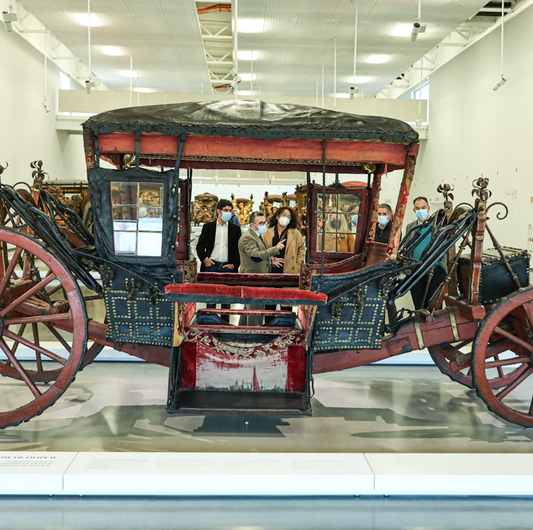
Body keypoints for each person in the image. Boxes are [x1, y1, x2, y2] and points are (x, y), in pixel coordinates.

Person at [196, 198, 241, 321]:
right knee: (211, 298)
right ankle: (209, 324)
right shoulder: (208, 227)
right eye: (225, 210)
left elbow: (239, 250)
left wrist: (234, 264)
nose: (228, 213)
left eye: (230, 211)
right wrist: (205, 259)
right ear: (218, 211)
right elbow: (200, 246)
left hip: (228, 267)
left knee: (226, 300)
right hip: (212, 266)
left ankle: (224, 325)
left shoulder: (235, 229)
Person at [238, 211, 285, 325]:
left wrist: (270, 261)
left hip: (257, 278)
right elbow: (255, 256)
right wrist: (275, 248)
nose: (264, 225)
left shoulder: (256, 235)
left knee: (248, 310)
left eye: (265, 222)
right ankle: (253, 337)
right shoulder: (248, 237)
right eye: (261, 223)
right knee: (255, 312)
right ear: (252, 225)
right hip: (252, 279)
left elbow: (259, 255)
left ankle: (242, 334)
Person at [405, 196, 447, 310]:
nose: (420, 211)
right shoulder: (411, 227)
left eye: (423, 207)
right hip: (416, 272)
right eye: (417, 208)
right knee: (419, 305)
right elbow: (407, 248)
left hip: (436, 271)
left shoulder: (438, 226)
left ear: (428, 208)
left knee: (434, 306)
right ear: (414, 211)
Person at [263, 206, 305, 317]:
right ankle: (268, 327)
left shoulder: (294, 233)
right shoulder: (268, 232)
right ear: (277, 216)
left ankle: (286, 326)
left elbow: (301, 248)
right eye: (284, 215)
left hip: (288, 271)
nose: (286, 218)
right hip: (272, 270)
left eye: (289, 217)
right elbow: (262, 249)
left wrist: (297, 263)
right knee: (270, 301)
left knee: (286, 303)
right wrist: (271, 259)